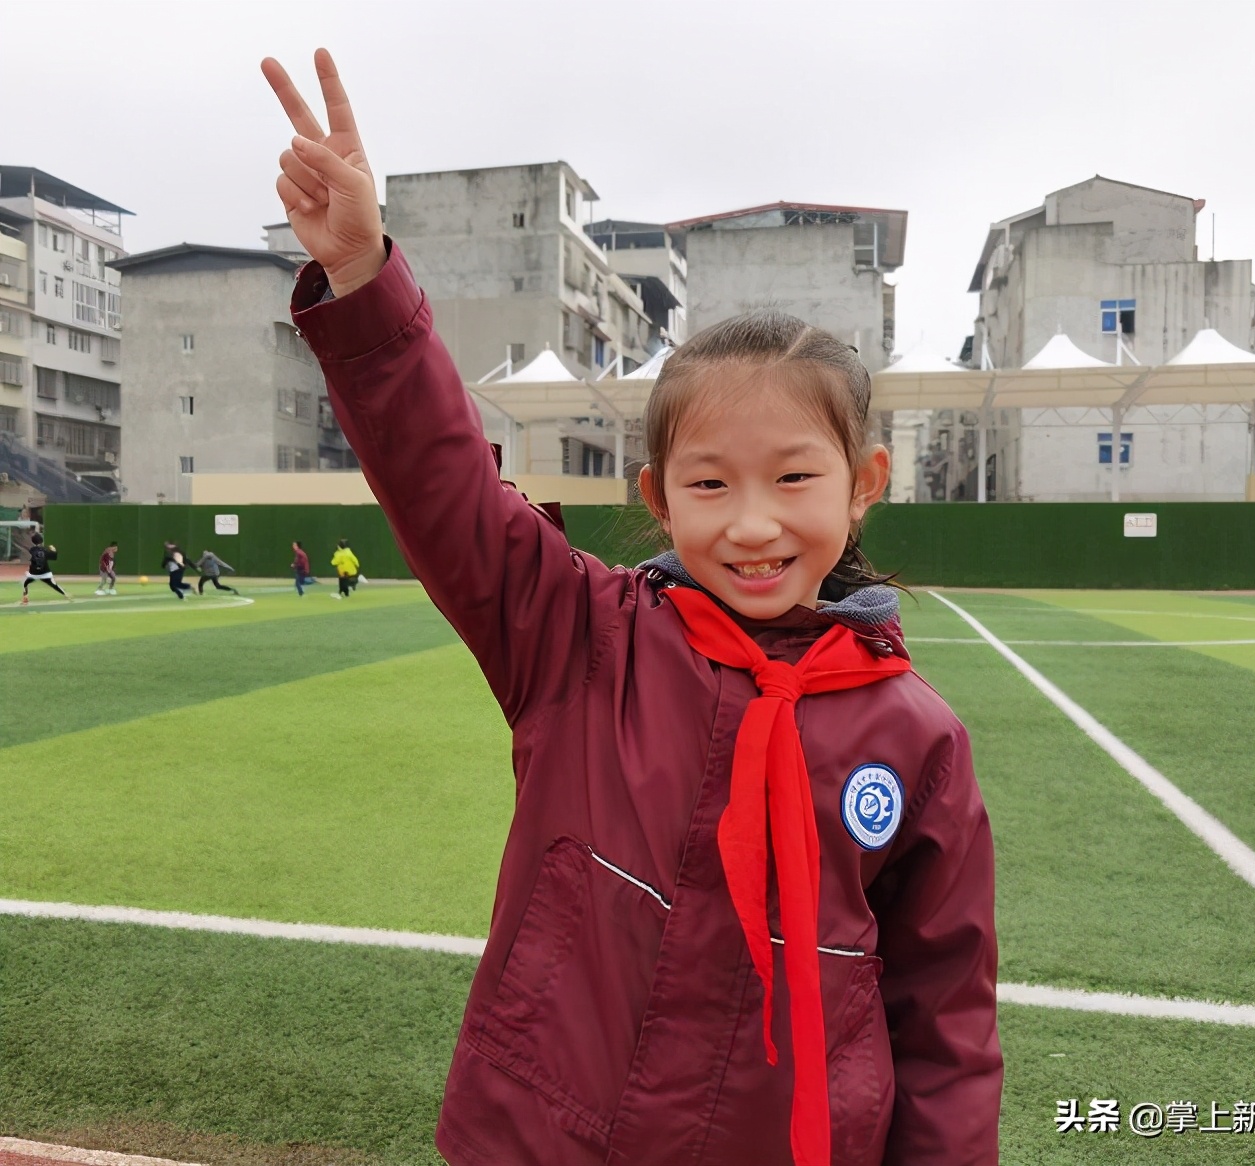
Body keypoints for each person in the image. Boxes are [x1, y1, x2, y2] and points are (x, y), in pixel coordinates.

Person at [263, 51, 1001, 1166]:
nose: (752, 522)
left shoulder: (917, 739)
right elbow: (441, 476)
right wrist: (365, 273)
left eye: (794, 477)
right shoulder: (578, 639)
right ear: (659, 499)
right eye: (710, 483)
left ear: (864, 485)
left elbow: (946, 1020)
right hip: (544, 1135)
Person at [20, 532, 69, 605]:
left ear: (33, 541)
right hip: (45, 573)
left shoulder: (32, 550)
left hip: (33, 573)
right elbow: (54, 557)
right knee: (54, 585)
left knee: (25, 583)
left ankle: (25, 596)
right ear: (41, 541)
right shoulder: (44, 550)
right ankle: (65, 594)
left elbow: (31, 557)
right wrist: (54, 550)